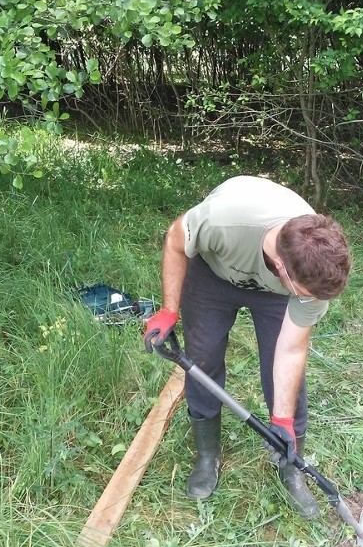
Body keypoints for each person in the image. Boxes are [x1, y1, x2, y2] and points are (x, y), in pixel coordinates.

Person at [143, 175, 351, 517]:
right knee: (203, 356)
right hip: (215, 271)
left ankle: (290, 463)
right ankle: (208, 455)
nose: (312, 302)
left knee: (281, 368)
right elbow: (175, 240)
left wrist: (281, 418)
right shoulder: (224, 220)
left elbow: (291, 349)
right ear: (281, 266)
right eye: (306, 294)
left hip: (277, 293)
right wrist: (169, 310)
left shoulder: (314, 274)